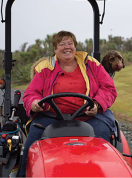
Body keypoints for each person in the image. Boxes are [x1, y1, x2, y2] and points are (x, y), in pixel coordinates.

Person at [19, 30, 117, 176]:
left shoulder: (91, 64)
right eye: (62, 44)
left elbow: (109, 88)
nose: (67, 47)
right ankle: (24, 174)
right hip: (51, 116)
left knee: (102, 137)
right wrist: (34, 103)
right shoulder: (45, 68)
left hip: (88, 116)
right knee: (33, 144)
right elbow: (31, 93)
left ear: (75, 46)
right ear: (55, 49)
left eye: (70, 43)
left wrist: (96, 103)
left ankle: (100, 173)